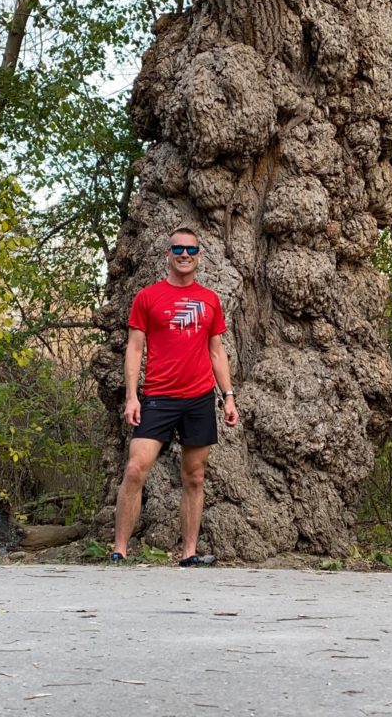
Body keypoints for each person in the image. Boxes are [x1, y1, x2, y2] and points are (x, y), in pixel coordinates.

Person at [110, 227, 238, 566]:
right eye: (177, 249)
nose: (184, 255)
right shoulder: (148, 297)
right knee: (136, 469)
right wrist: (131, 396)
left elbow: (216, 351)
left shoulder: (210, 300)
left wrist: (228, 396)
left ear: (198, 256)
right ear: (167, 254)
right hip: (157, 398)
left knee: (194, 476)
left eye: (190, 250)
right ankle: (119, 550)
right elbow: (135, 348)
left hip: (198, 398)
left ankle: (189, 553)